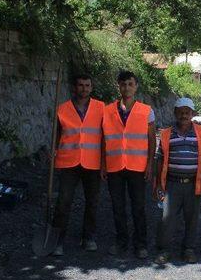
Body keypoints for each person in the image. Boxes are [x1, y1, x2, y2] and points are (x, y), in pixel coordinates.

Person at [102, 71, 156, 259]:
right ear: (119, 85)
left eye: (130, 84)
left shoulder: (146, 110)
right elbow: (104, 139)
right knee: (118, 207)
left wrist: (150, 164)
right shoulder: (107, 110)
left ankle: (141, 244)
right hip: (114, 166)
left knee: (138, 207)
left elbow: (151, 140)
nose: (127, 88)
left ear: (136, 86)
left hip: (137, 167)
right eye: (123, 84)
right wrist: (103, 164)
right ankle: (121, 241)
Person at [51, 74, 104, 256]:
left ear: (92, 87)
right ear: (75, 87)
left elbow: (105, 136)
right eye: (81, 85)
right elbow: (56, 136)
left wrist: (105, 162)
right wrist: (53, 154)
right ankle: (57, 241)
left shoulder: (101, 108)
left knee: (93, 202)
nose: (84, 89)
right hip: (68, 161)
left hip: (92, 162)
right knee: (63, 202)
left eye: (87, 85)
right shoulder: (62, 109)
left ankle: (88, 237)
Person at [153, 98, 201, 265]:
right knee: (167, 218)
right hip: (172, 184)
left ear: (192, 114)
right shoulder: (166, 133)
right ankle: (164, 250)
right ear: (175, 113)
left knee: (192, 218)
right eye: (181, 112)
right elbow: (159, 159)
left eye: (187, 112)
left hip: (193, 183)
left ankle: (188, 250)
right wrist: (157, 184)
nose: (184, 115)